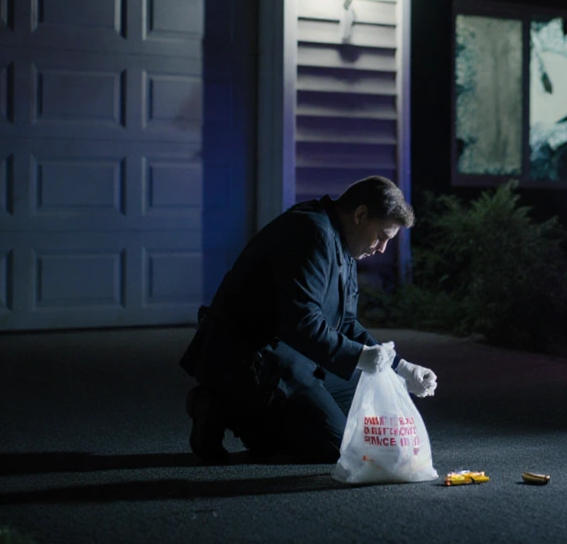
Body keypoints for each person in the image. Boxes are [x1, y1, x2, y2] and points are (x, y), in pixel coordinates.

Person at [179, 175, 437, 465]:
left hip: (300, 355)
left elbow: (347, 324)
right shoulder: (311, 232)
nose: (381, 249)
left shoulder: (344, 243)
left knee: (377, 397)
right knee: (335, 447)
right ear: (360, 214)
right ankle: (219, 405)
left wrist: (399, 367)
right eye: (382, 236)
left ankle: (276, 417)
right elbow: (300, 323)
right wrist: (362, 357)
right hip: (255, 359)